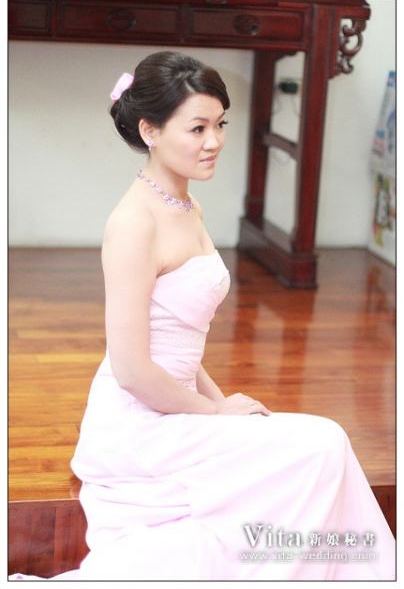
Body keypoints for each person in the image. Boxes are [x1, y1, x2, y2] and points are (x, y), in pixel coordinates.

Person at [68, 52, 394, 580]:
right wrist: (215, 413)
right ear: (150, 131)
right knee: (323, 443)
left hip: (179, 405)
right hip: (139, 424)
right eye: (197, 128)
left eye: (220, 124)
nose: (214, 141)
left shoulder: (187, 207)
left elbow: (179, 341)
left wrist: (222, 407)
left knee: (315, 448)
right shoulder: (133, 223)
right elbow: (131, 369)